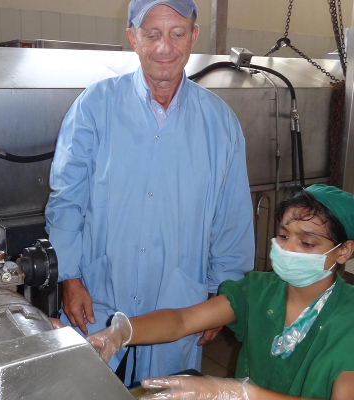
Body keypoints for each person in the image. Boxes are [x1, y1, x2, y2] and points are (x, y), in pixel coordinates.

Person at [44, 0, 254, 384]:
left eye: (177, 34)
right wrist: (69, 278)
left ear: (193, 37)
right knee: (82, 387)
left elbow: (232, 219)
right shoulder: (95, 106)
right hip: (97, 296)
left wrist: (222, 298)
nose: (165, 48)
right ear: (133, 39)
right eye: (152, 34)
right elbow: (67, 201)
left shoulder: (220, 123)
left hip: (177, 304)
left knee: (165, 391)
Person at [87, 185, 354, 399]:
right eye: (283, 236)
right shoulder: (259, 290)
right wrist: (122, 332)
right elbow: (183, 320)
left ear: (344, 251)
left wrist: (241, 393)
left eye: (307, 243)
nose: (289, 249)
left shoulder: (347, 320)